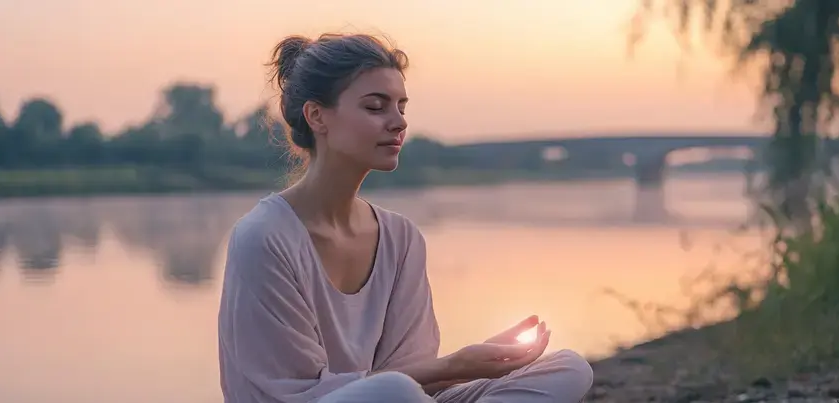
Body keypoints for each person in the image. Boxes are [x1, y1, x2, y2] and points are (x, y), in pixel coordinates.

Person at [217, 32, 594, 403]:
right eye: (376, 106)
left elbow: (416, 376)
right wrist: (455, 364)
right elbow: (296, 393)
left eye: (401, 106)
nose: (398, 123)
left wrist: (470, 365)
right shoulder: (264, 237)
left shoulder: (400, 237)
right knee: (392, 390)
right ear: (317, 116)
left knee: (569, 369)